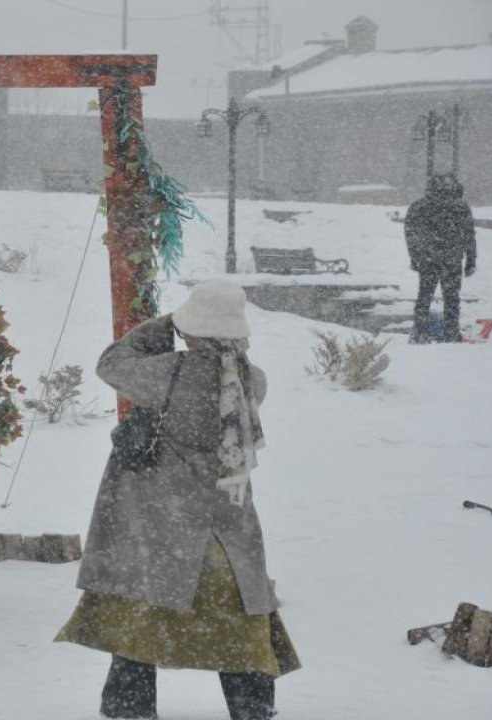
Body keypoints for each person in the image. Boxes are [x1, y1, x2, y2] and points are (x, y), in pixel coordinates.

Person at [56, 280, 300, 720]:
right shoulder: (252, 382)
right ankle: (253, 710)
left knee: (138, 621)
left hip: (164, 530)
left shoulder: (168, 373)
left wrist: (162, 324)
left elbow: (111, 363)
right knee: (240, 631)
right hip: (230, 534)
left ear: (192, 329)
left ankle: (130, 710)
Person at [404, 172, 476, 343]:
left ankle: (420, 332)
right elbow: (469, 235)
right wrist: (471, 260)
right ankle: (451, 333)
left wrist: (415, 257)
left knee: (424, 296)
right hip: (452, 260)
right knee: (451, 299)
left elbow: (410, 235)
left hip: (428, 260)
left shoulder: (419, 206)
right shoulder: (460, 206)